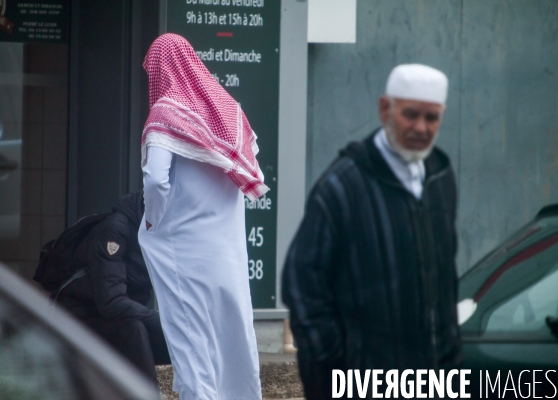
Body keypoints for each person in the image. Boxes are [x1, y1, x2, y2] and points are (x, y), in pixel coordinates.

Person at [282, 64, 462, 399]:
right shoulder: (342, 187)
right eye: (411, 115)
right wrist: (335, 366)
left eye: (432, 118)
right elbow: (301, 285)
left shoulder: (440, 177)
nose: (422, 128)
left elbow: (445, 277)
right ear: (385, 109)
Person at [138, 33, 267, 400]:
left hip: (185, 249)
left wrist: (151, 222)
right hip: (227, 252)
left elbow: (157, 180)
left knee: (191, 337)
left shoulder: (166, 113)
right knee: (232, 336)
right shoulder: (228, 110)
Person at [56, 191, 170, 384]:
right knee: (135, 330)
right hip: (81, 316)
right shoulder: (116, 229)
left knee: (185, 341)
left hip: (120, 317)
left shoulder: (162, 237)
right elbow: (112, 302)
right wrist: (166, 324)